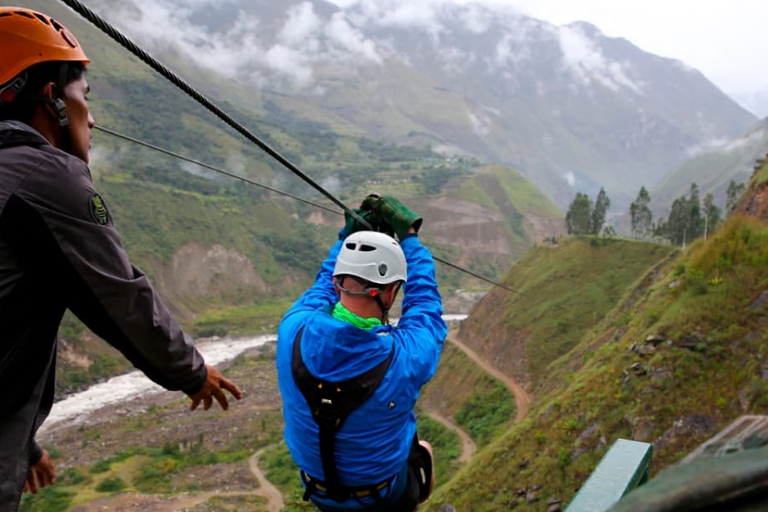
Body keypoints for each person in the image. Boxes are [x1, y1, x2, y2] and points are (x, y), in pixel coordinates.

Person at [0, 8, 242, 511]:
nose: (92, 116)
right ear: (49, 96)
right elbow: (118, 295)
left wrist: (25, 445)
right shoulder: (43, 175)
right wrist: (191, 371)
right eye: (83, 97)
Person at [277, 193, 448, 511]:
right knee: (422, 449)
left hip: (318, 491)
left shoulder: (292, 330)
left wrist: (347, 239)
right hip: (384, 496)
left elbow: (321, 288)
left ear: (337, 280)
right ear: (392, 290)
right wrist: (410, 239)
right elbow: (424, 306)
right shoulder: (404, 358)